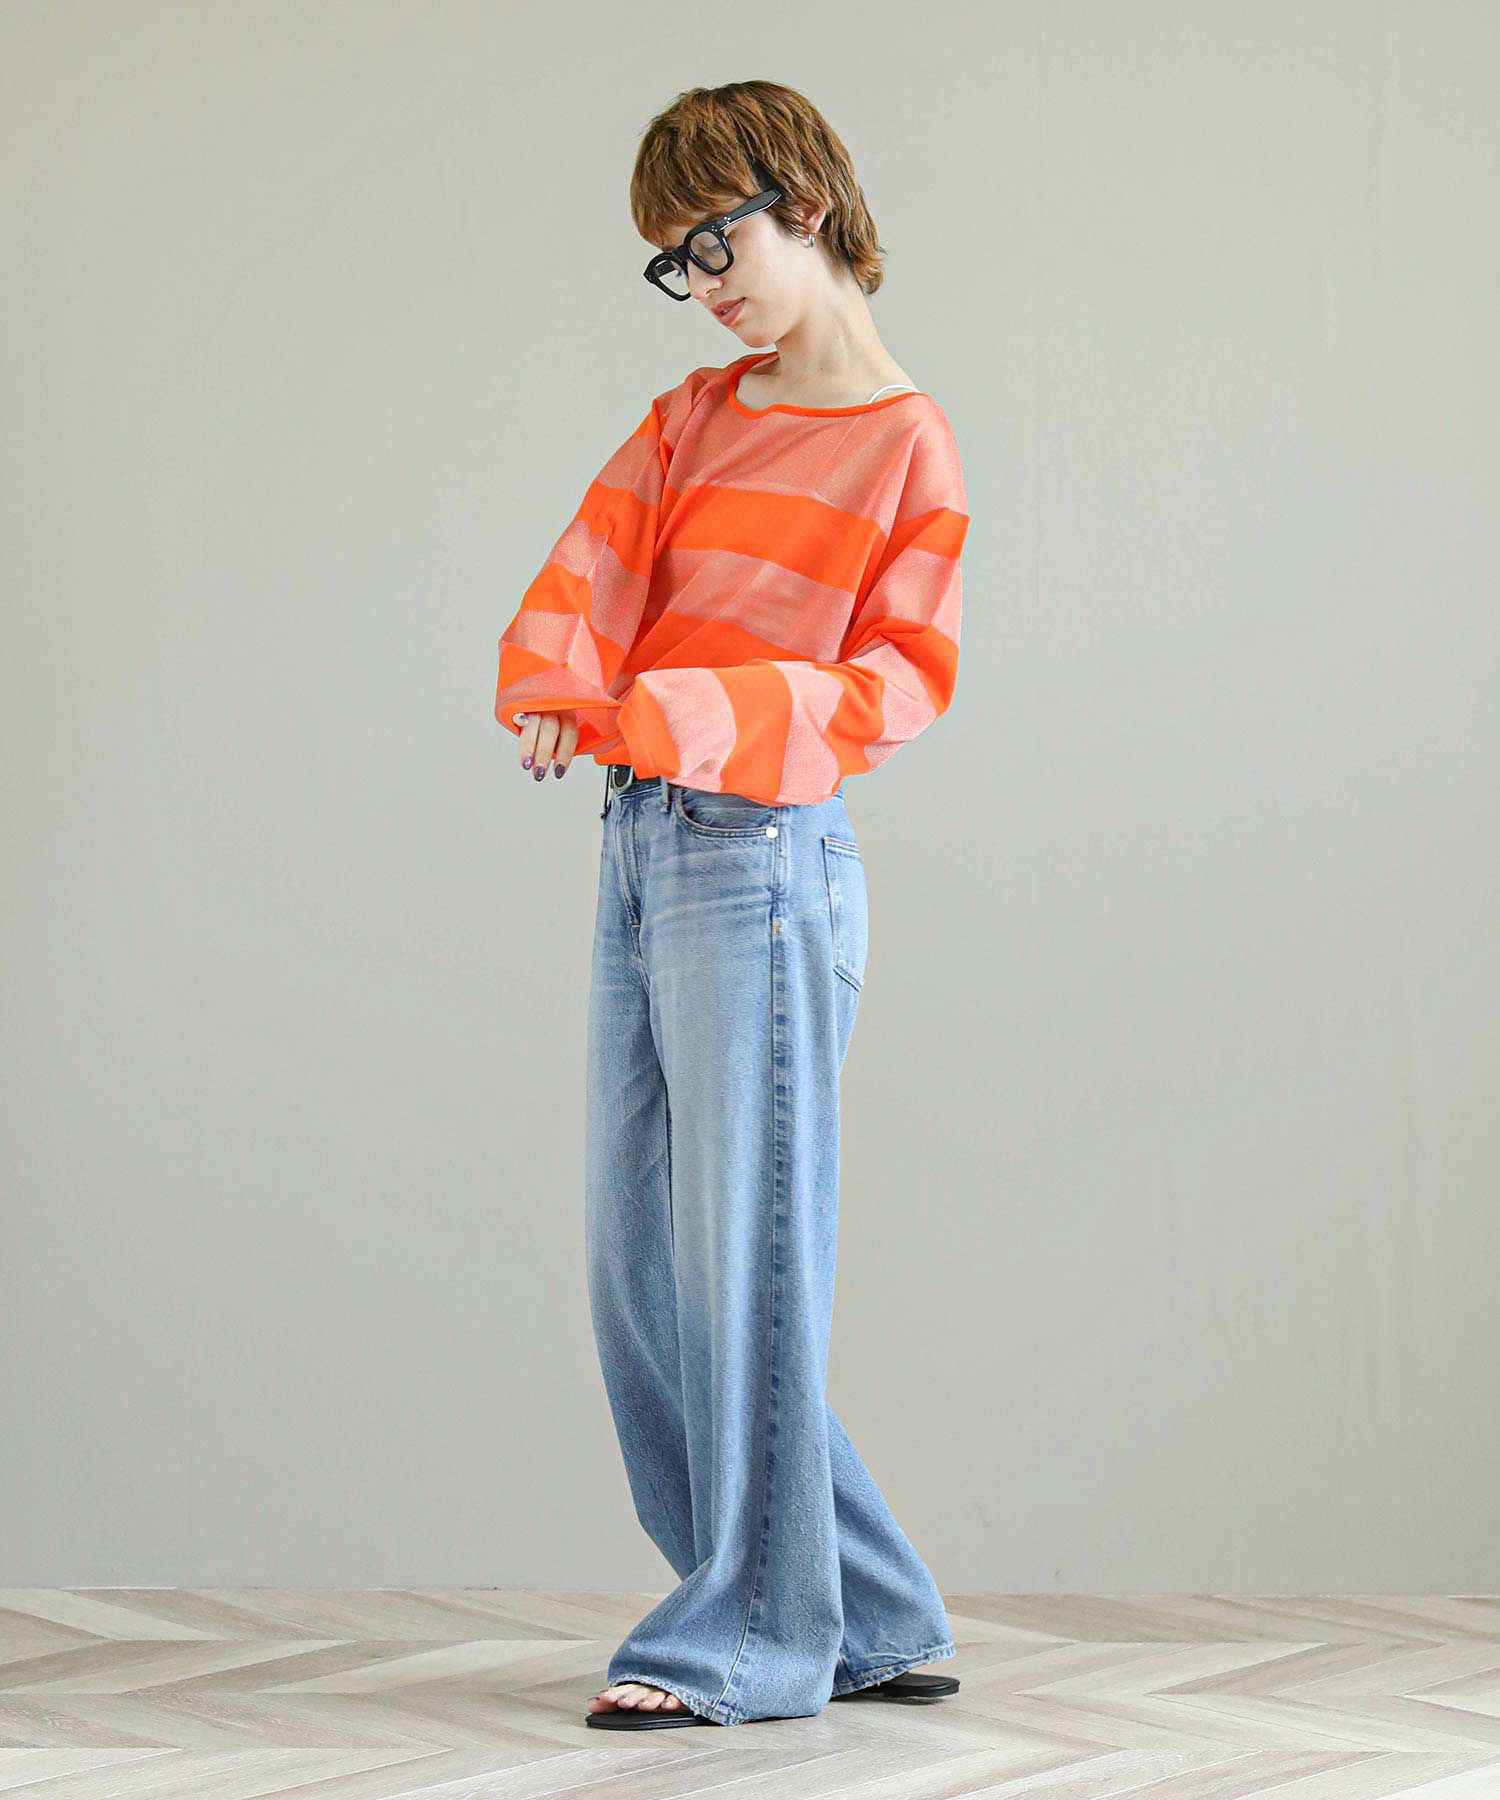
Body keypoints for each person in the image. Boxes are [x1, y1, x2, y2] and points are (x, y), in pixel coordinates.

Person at [494, 81, 970, 1729]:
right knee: (644, 1272)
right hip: (642, 842)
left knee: (743, 1273)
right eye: (674, 262)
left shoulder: (906, 445)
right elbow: (598, 562)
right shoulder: (694, 415)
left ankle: (750, 1638)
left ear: (805, 205)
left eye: (715, 244)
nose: (701, 286)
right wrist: (564, 684)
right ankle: (874, 1613)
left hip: (762, 862)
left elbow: (895, 686)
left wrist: (677, 713)